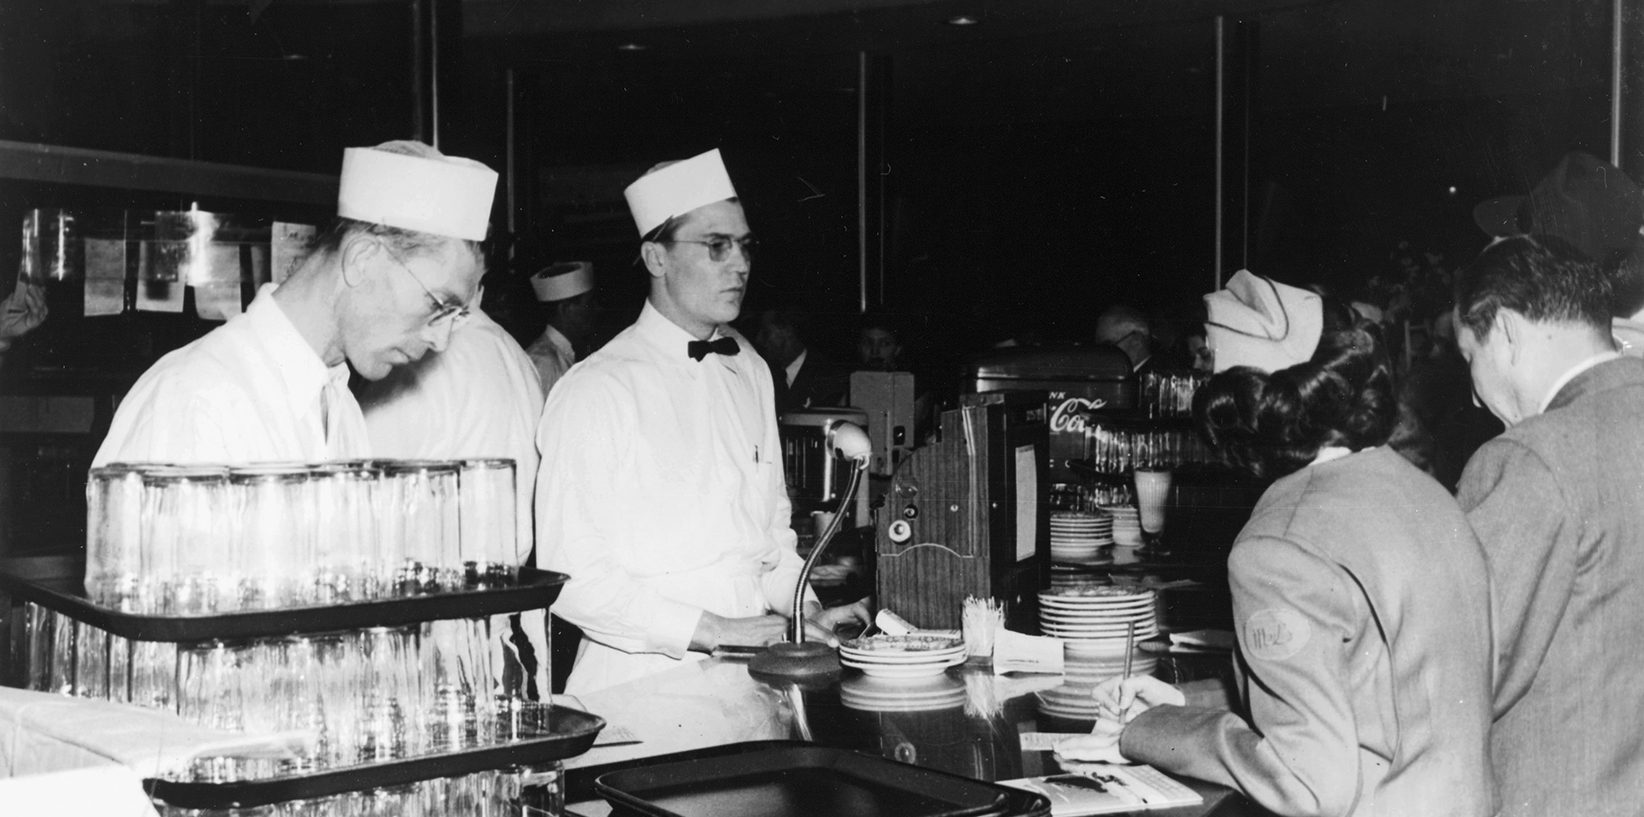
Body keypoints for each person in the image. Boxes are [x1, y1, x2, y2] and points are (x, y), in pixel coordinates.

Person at [1057, 271, 1496, 817]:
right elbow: (1376, 692)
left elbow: (1307, 783)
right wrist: (1182, 701)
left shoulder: (1280, 546)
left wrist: (1148, 732)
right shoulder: (1428, 496)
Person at [534, 148, 869, 693]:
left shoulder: (752, 370)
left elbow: (770, 541)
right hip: (640, 685)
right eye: (716, 246)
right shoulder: (598, 389)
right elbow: (571, 577)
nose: (740, 264)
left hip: (758, 677)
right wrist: (719, 631)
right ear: (656, 258)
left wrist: (803, 614)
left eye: (744, 245)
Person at [94, 140, 495, 466]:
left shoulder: (343, 413)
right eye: (439, 304)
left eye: (456, 318)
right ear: (363, 259)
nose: (441, 341)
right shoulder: (197, 401)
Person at [1450, 234, 1644, 817]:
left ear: (1505, 331)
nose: (1478, 401)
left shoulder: (1529, 458)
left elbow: (1459, 670)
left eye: (1469, 359)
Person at [525, 261, 599, 397]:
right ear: (565, 309)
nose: (595, 310)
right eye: (588, 304)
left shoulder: (565, 353)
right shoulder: (543, 362)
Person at [753, 308, 847, 414]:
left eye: (766, 333)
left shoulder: (829, 377)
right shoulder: (763, 375)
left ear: (787, 331)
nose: (759, 339)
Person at [1093, 304, 1156, 373]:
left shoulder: (1160, 379)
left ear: (1136, 341)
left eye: (1108, 346)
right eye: (1098, 347)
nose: (1100, 354)